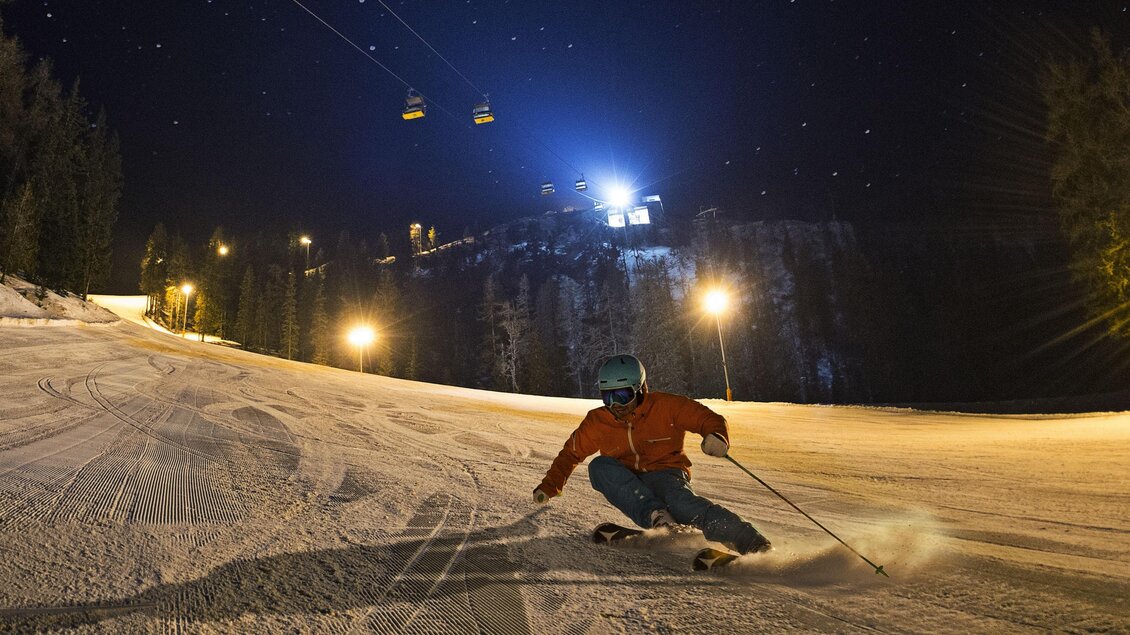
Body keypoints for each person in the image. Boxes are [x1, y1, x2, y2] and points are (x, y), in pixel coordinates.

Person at [533, 354, 772, 555]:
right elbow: (570, 454)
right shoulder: (598, 421)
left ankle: (753, 543)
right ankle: (659, 519)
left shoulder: (666, 407)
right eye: (608, 397)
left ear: (640, 389)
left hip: (667, 474)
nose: (616, 405)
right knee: (599, 467)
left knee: (683, 505)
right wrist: (550, 485)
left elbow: (708, 419)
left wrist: (717, 436)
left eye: (623, 395)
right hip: (628, 480)